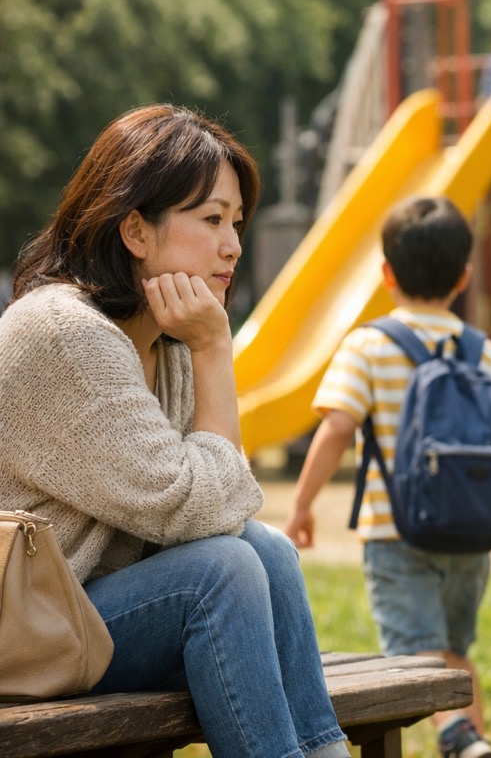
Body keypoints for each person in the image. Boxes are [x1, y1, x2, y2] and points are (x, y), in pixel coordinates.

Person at [0, 104, 350, 758]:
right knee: (222, 570)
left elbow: (225, 510)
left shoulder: (169, 337)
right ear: (136, 230)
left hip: (86, 615)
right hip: (25, 633)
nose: (233, 245)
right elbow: (198, 509)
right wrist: (217, 351)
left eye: (236, 223)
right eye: (212, 219)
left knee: (268, 552)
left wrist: (204, 348)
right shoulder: (66, 335)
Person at [284, 196, 491, 758]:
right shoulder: (484, 352)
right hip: (472, 532)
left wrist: (302, 505)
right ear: (463, 278)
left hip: (397, 531)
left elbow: (337, 428)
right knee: (454, 651)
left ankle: (457, 735)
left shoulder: (369, 345)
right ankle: (472, 740)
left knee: (416, 656)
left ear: (387, 274)